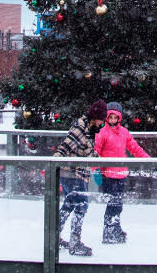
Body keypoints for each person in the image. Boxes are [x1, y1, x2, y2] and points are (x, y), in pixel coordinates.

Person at [94, 101, 150, 244]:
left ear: (119, 118)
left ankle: (115, 228)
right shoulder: (102, 132)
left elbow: (134, 148)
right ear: (106, 117)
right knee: (113, 203)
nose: (112, 120)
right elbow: (96, 151)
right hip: (108, 174)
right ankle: (109, 231)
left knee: (118, 204)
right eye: (110, 117)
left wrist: (148, 159)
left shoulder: (124, 132)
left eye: (115, 117)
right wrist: (95, 169)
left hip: (121, 174)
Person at [56, 100, 107, 257]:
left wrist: (100, 161)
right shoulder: (81, 126)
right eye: (101, 119)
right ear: (96, 117)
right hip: (72, 172)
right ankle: (74, 243)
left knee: (70, 204)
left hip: (77, 173)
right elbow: (67, 145)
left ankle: (54, 236)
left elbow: (87, 151)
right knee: (81, 206)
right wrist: (54, 162)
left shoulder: (90, 128)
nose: (102, 123)